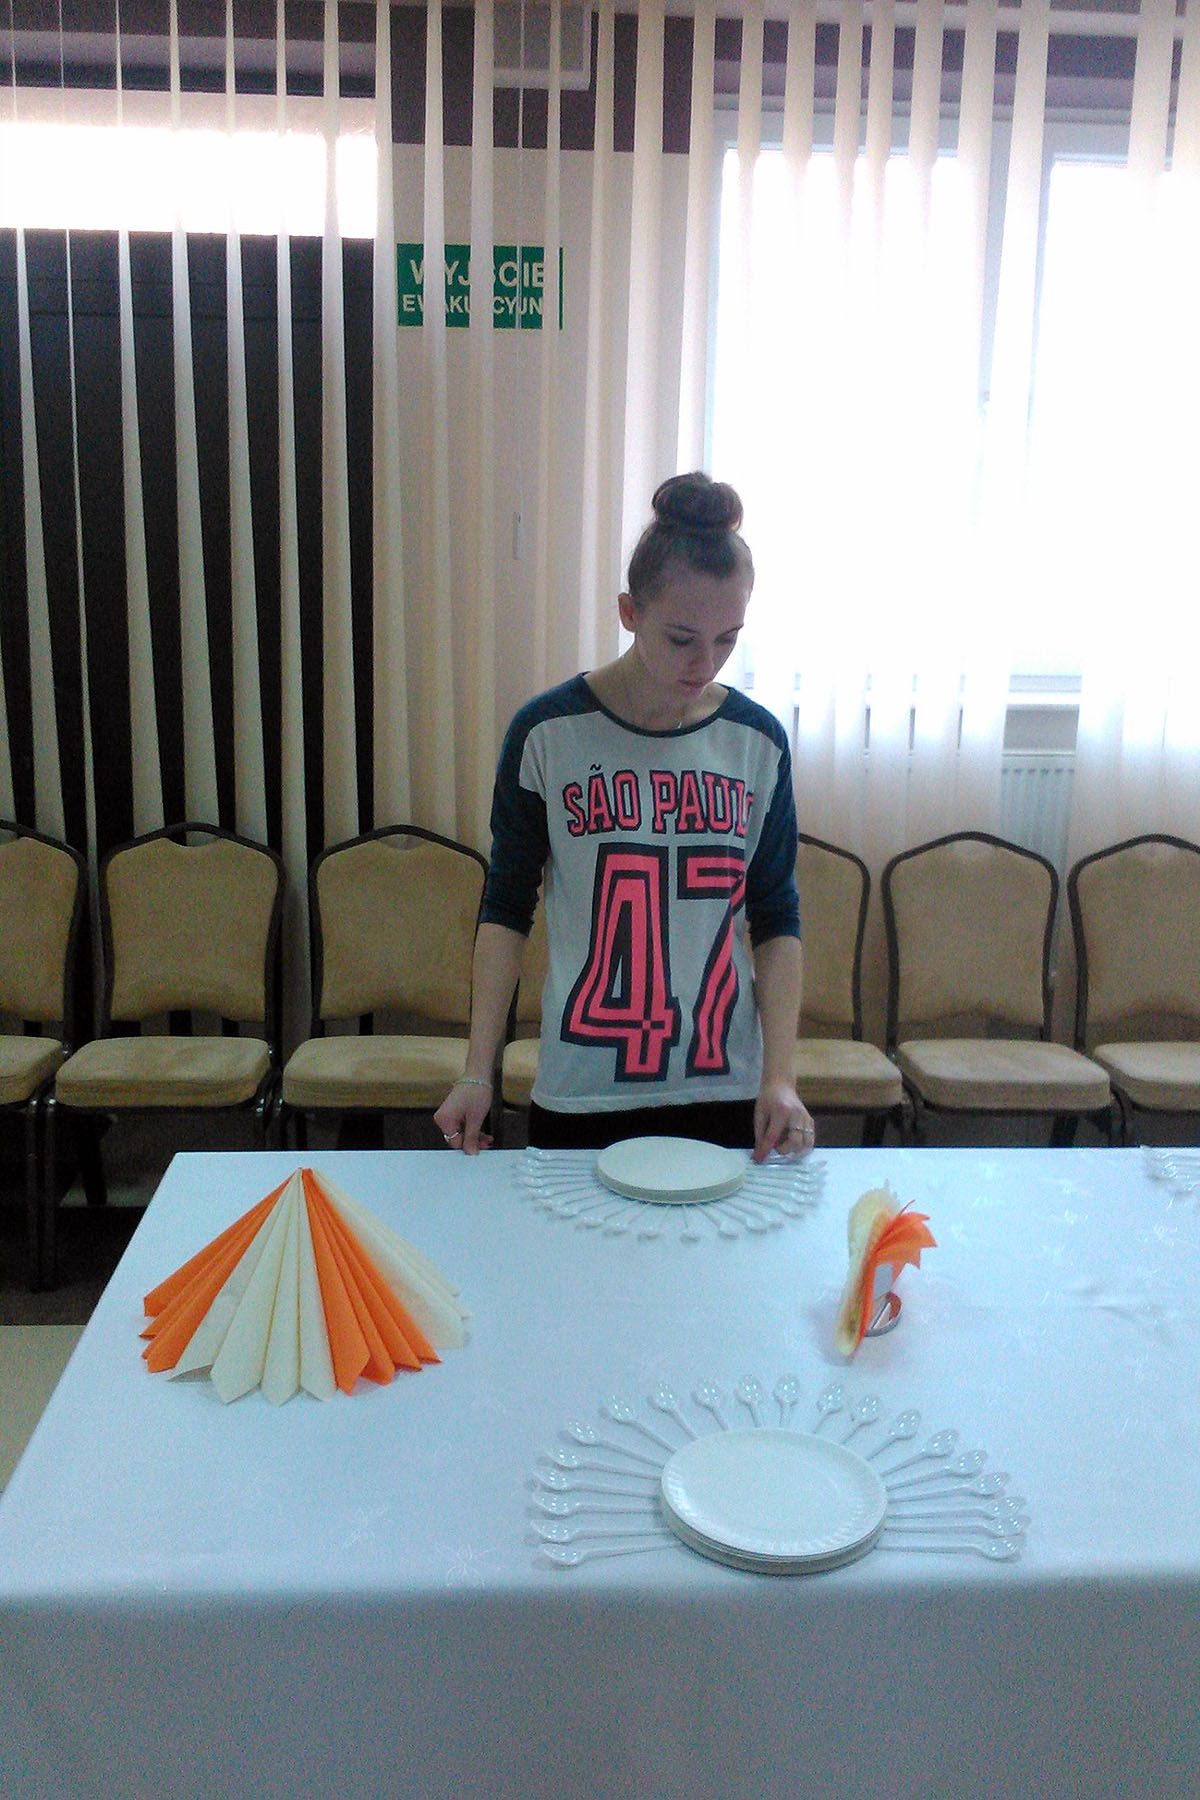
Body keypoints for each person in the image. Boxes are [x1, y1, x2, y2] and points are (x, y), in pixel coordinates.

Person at [434, 472, 814, 1162]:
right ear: (629, 612)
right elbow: (506, 907)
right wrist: (475, 1071)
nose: (705, 662)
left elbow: (776, 913)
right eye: (681, 638)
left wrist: (781, 1078)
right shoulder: (547, 734)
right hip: (583, 1089)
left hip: (721, 1087)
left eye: (728, 639)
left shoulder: (757, 742)